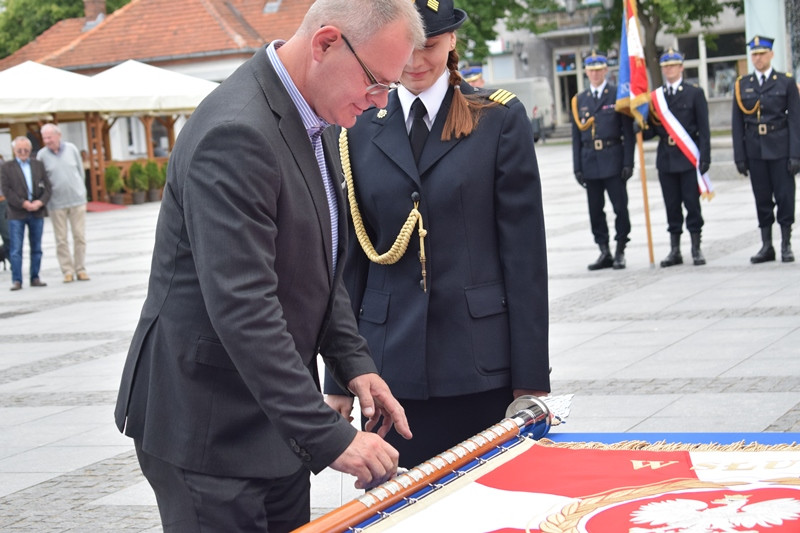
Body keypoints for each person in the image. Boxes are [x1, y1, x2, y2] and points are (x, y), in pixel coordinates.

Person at [113, 1, 425, 531]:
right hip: (209, 429)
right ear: (326, 43)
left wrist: (354, 363)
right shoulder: (237, 132)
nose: (377, 105)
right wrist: (330, 438)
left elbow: (320, 267)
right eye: (376, 83)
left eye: (388, 90)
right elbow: (244, 307)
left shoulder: (313, 111)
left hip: (273, 424)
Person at [324, 0, 550, 468]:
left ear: (452, 41)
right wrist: (338, 376)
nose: (415, 61)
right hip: (388, 371)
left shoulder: (497, 121)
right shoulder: (357, 129)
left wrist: (531, 379)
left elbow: (525, 261)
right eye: (405, 47)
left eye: (429, 45)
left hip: (480, 365)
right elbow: (350, 267)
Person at [732, 35, 800, 264]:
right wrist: (740, 156)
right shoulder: (743, 84)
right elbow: (737, 123)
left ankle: (786, 244)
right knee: (762, 198)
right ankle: (767, 245)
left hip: (780, 148)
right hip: (755, 150)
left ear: (771, 55)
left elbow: (795, 122)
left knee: (784, 196)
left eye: (762, 54)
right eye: (754, 54)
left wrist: (795, 154)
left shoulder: (786, 82)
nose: (758, 58)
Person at [645, 49, 711, 268]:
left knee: (692, 204)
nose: (669, 69)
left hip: (688, 158)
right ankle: (675, 250)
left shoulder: (694, 93)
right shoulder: (657, 97)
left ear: (681, 67)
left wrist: (705, 157)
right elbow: (652, 131)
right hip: (666, 159)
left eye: (673, 65)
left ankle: (696, 247)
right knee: (671, 206)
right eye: (665, 66)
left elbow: (704, 128)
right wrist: (639, 123)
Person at [571, 51, 635, 270]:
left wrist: (628, 162)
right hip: (590, 162)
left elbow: (628, 133)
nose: (595, 74)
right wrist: (577, 167)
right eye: (591, 70)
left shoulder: (617, 95)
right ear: (586, 72)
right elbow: (576, 137)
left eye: (599, 69)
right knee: (595, 211)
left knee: (620, 208)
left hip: (614, 160)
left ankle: (620, 250)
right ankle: (604, 250)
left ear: (606, 70)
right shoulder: (579, 100)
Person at [36, 123, 90, 282]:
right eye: (44, 138)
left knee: (79, 236)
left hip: (77, 200)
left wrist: (82, 192)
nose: (47, 140)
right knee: (61, 239)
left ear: (58, 135)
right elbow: (41, 179)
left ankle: (80, 269)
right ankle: (67, 270)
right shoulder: (42, 155)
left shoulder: (72, 149)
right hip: (56, 203)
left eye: (49, 137)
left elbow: (80, 172)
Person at [1, 137, 52, 290]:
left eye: (26, 150)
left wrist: (40, 202)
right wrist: (22, 203)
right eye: (19, 150)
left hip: (36, 211)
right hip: (17, 213)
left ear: (30, 151)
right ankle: (17, 280)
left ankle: (35, 277)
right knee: (16, 248)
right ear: (14, 151)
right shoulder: (7, 167)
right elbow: (6, 190)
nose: (23, 153)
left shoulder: (38, 165)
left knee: (36, 247)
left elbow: (48, 187)